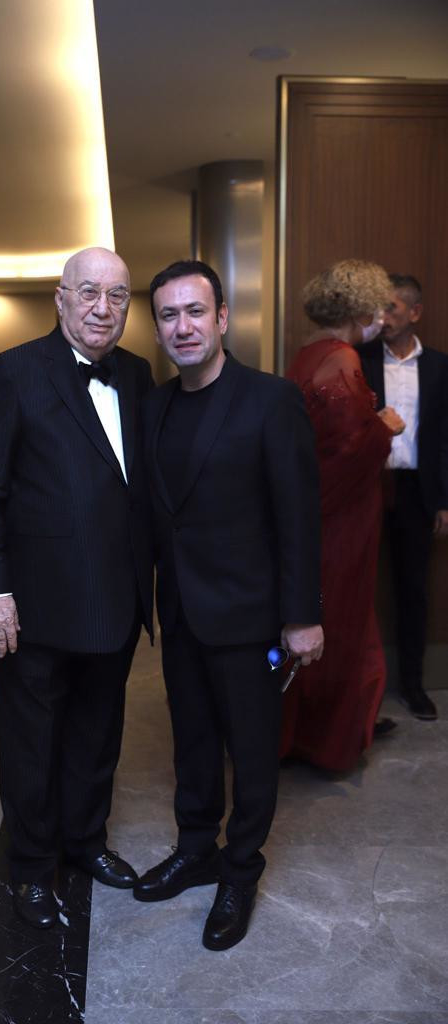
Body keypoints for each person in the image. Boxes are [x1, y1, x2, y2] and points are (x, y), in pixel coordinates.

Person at [134, 260, 323, 951]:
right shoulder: (154, 406)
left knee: (251, 749)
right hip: (182, 610)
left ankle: (240, 870)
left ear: (221, 318)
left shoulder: (270, 400)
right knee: (191, 739)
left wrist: (303, 615)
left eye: (195, 311)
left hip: (249, 615)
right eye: (168, 315)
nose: (182, 326)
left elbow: (299, 515)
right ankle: (196, 849)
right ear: (157, 328)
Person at [0, 247, 154, 929]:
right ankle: (32, 866)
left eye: (118, 296)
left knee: (98, 732)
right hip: (36, 603)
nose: (103, 308)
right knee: (32, 740)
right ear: (61, 297)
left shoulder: (137, 373)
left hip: (116, 596)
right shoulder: (13, 371)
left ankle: (86, 842)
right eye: (89, 292)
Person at [280, 260, 404, 772]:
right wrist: (386, 427)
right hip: (341, 519)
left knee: (316, 619)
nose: (382, 317)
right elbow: (349, 449)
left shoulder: (307, 354)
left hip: (315, 514)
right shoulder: (342, 357)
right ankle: (328, 740)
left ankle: (298, 732)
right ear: (359, 309)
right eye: (378, 307)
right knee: (339, 622)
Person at [357, 274, 448, 722]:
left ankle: (413, 686)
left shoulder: (439, 367)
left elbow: (445, 438)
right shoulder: (359, 360)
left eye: (391, 307)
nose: (383, 317)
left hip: (416, 491)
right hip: (368, 487)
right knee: (357, 588)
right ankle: (356, 696)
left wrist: (444, 500)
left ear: (415, 313)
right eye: (377, 308)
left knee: (413, 591)